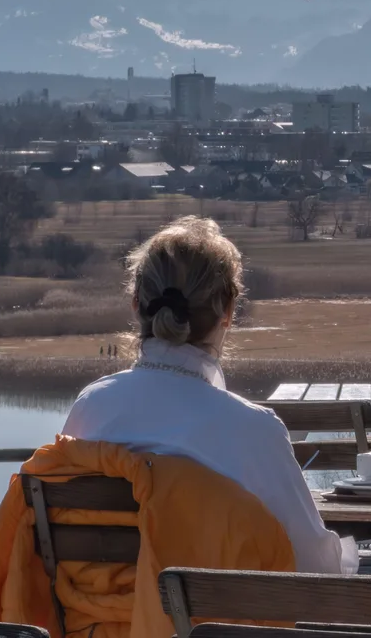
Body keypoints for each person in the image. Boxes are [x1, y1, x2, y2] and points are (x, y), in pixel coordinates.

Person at [61, 215, 352, 574]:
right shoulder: (253, 430)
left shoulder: (91, 407)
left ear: (136, 304)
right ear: (228, 311)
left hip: (96, 627)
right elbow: (318, 571)